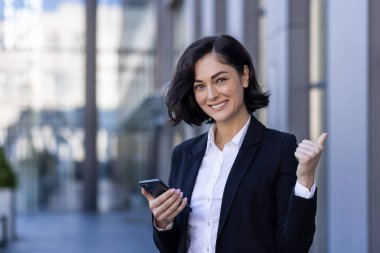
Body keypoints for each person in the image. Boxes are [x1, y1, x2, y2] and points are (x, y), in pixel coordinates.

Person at [141, 34, 327, 253]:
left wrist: (305, 180)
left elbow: (293, 246)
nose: (211, 95)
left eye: (220, 80)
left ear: (245, 76)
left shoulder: (279, 148)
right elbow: (173, 247)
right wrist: (164, 223)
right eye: (200, 86)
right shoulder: (184, 154)